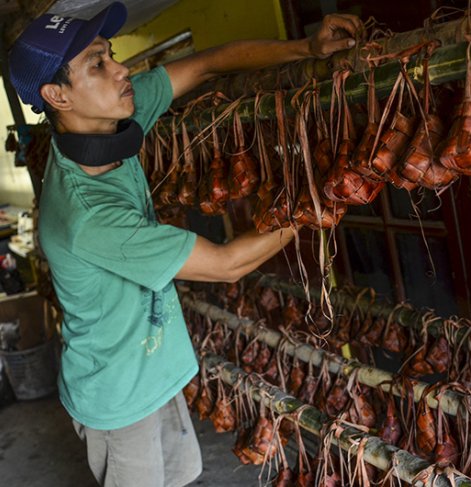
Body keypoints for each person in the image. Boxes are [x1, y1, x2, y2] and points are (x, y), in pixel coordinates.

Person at [7, 3, 361, 486]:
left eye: (110, 54)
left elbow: (207, 63)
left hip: (154, 371)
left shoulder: (108, 129)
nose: (121, 68)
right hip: (118, 397)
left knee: (184, 473)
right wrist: (324, 196)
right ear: (57, 95)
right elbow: (227, 264)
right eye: (98, 64)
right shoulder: (88, 216)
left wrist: (306, 47)